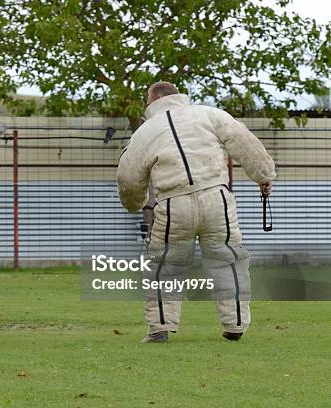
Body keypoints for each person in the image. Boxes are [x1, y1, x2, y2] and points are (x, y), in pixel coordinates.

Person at [117, 82, 276, 343]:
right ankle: (235, 324)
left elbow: (128, 176)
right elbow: (244, 141)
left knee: (164, 266)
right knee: (229, 261)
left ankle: (160, 327)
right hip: (217, 198)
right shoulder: (209, 114)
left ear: (152, 101)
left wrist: (134, 204)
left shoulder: (144, 133)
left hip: (172, 203)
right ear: (178, 96)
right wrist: (263, 176)